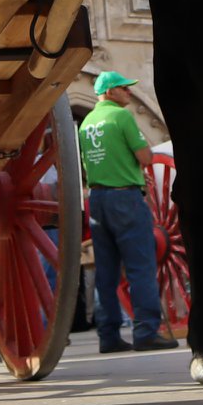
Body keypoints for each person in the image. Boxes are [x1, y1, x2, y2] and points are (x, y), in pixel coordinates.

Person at [77, 72, 176, 352]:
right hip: (126, 198)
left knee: (106, 273)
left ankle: (107, 337)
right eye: (123, 89)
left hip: (97, 199)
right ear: (109, 91)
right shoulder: (121, 118)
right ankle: (146, 331)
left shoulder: (86, 123)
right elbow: (145, 157)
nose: (129, 94)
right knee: (140, 267)